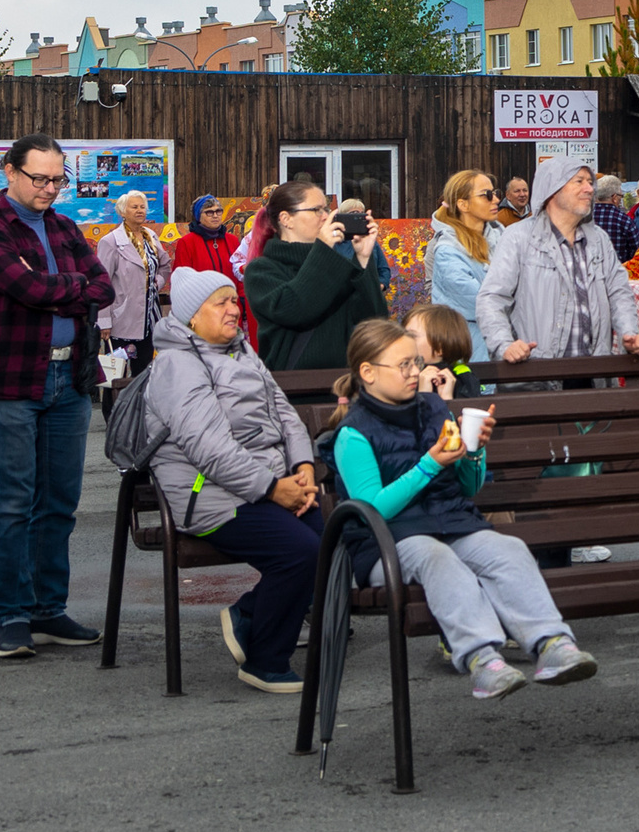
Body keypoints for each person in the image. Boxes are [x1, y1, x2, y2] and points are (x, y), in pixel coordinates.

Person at [328, 319, 597, 698]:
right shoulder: (353, 434)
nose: (413, 373)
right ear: (368, 373)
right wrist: (430, 464)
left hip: (450, 523)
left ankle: (553, 644)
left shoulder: (436, 409)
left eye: (415, 363)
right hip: (386, 543)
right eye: (403, 365)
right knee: (435, 557)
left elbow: (468, 488)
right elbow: (373, 509)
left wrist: (474, 451)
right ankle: (483, 660)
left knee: (508, 549)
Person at [0, 135, 117, 659]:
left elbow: (104, 288)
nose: (50, 189)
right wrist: (66, 287)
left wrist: (54, 285)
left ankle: (49, 610)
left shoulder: (65, 227)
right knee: (11, 504)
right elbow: (26, 290)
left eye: (58, 180)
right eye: (40, 178)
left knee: (59, 505)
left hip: (70, 381)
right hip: (11, 383)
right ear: (10, 172)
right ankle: (12, 615)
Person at [145, 269, 321, 693]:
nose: (233, 309)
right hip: (207, 496)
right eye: (220, 303)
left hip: (261, 485)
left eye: (233, 300)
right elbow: (209, 449)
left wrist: (303, 468)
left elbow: (286, 415)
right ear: (191, 318)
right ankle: (265, 660)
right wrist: (273, 488)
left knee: (331, 534)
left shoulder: (241, 351)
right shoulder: (177, 364)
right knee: (299, 550)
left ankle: (248, 614)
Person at [478, 157, 639, 365]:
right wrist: (504, 344)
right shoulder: (519, 237)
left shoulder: (599, 240)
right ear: (552, 189)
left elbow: (619, 292)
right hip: (536, 376)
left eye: (590, 182)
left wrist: (630, 332)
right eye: (579, 181)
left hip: (594, 376)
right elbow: (492, 298)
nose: (589, 189)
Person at [244, 178, 388, 371]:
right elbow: (296, 310)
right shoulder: (261, 270)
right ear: (286, 219)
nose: (326, 217)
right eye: (316, 210)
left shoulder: (332, 263)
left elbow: (373, 320)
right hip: (292, 390)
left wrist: (363, 258)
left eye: (326, 209)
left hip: (341, 386)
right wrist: (323, 250)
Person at [93, 190, 175, 393]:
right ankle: (113, 420)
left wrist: (155, 282)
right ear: (122, 211)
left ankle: (138, 419)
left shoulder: (150, 236)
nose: (140, 210)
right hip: (122, 319)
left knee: (143, 374)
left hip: (149, 318)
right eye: (134, 207)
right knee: (117, 378)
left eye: (142, 207)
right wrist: (103, 322)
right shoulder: (110, 241)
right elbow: (101, 283)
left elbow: (165, 265)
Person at [426, 170, 503, 351]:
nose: (496, 200)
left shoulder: (504, 239)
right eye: (487, 195)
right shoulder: (447, 251)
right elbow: (482, 303)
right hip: (470, 350)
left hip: (506, 345)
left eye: (496, 193)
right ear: (463, 204)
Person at [170, 196, 246, 333]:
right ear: (199, 216)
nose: (215, 216)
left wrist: (243, 302)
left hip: (232, 308)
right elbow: (182, 282)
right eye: (209, 212)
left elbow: (240, 275)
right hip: (203, 311)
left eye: (218, 211)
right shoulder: (187, 243)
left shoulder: (232, 240)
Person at [589, 175, 639, 263]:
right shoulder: (624, 220)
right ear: (614, 198)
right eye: (621, 196)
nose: (620, 200)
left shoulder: (580, 218)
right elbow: (637, 253)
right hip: (617, 272)